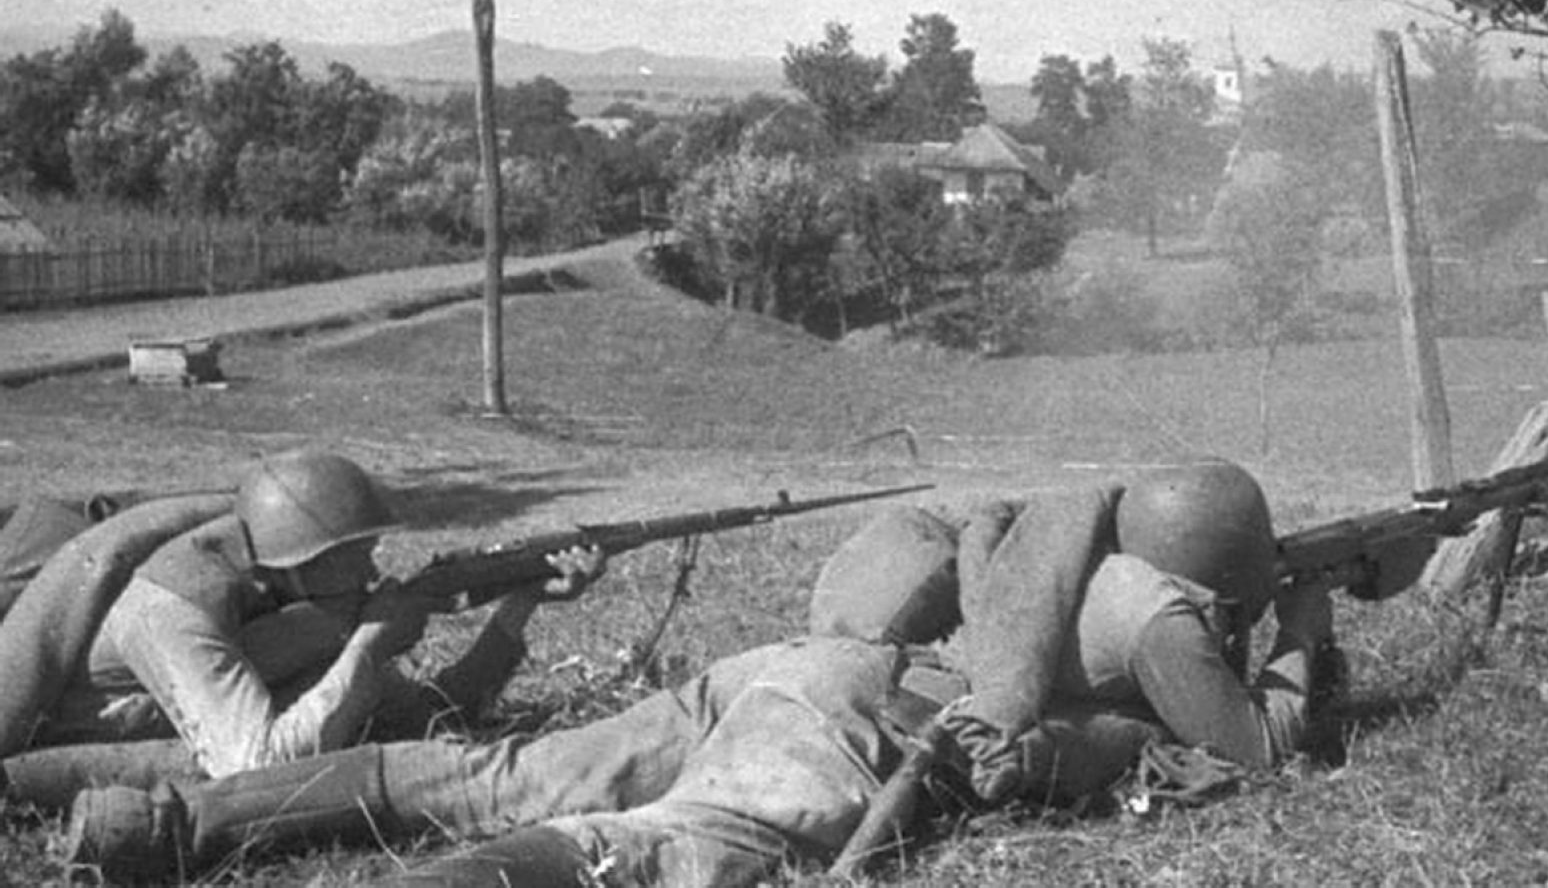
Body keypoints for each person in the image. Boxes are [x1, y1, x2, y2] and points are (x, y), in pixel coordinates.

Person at [64, 458, 1338, 887]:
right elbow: (1258, 751)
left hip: (793, 670)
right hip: (853, 722)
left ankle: (159, 824)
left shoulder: (1074, 558)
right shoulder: (1152, 603)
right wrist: (1307, 627)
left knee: (490, 772)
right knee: (659, 846)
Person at [0, 451, 600, 808]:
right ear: (298, 559)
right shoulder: (173, 608)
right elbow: (258, 771)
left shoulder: (299, 602)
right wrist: (367, 645)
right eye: (356, 554)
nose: (373, 568)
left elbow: (430, 713)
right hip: (78, 725)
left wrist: (521, 602)